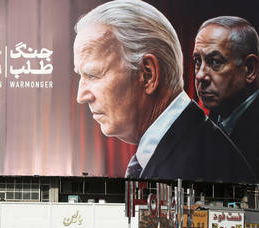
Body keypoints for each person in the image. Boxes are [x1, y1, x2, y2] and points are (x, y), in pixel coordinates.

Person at [73, 0, 256, 182]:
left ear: (148, 74)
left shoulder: (195, 168)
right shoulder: (185, 145)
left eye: (93, 75)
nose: (81, 96)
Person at [193, 16, 259, 174]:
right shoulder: (209, 121)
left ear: (249, 69)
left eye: (215, 62)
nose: (200, 75)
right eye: (197, 61)